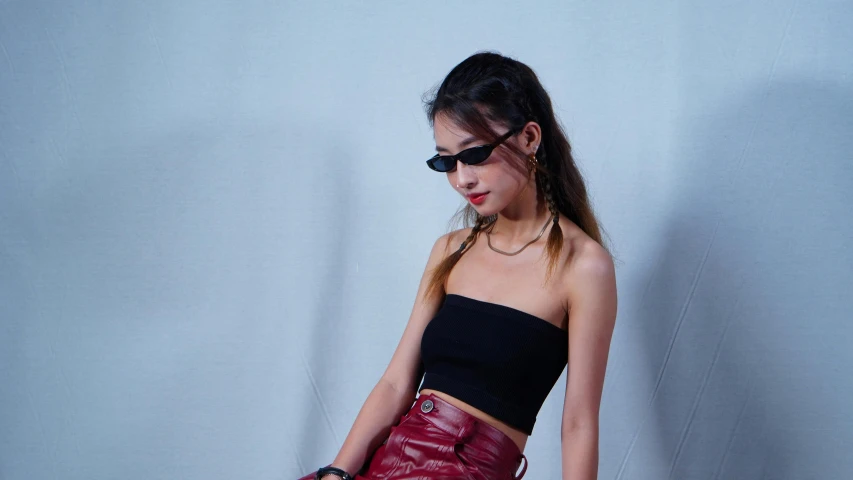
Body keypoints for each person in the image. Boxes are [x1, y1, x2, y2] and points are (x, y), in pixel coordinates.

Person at [299, 51, 617, 480]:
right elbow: (396, 383)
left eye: (475, 153)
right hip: (386, 463)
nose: (462, 179)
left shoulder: (582, 266)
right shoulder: (451, 251)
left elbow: (579, 423)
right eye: (446, 161)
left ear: (529, 137)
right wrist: (337, 473)